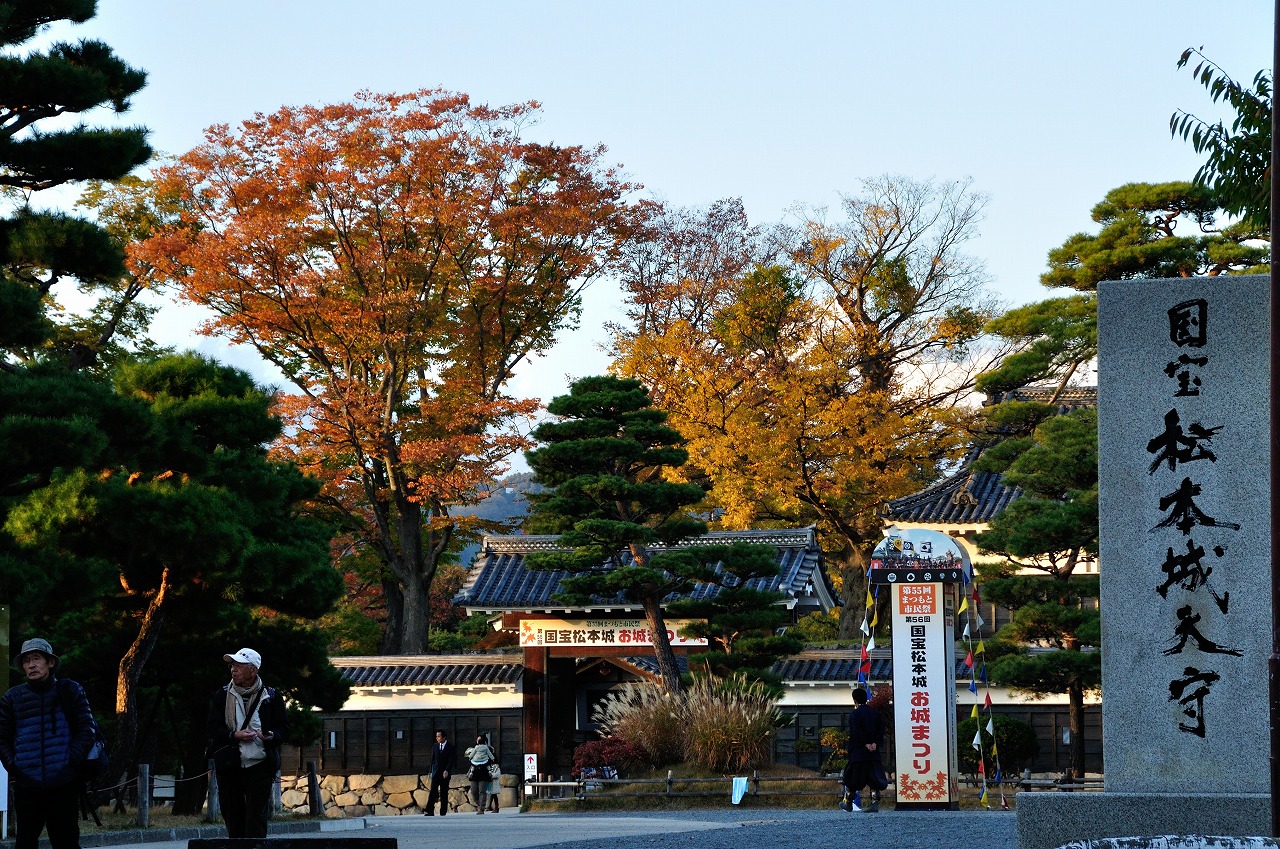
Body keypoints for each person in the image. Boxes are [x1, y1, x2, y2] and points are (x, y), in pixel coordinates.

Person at [0, 638, 96, 849]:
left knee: (66, 843)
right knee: (25, 843)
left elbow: (88, 730)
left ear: (50, 662)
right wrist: (13, 764)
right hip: (27, 786)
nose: (31, 665)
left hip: (63, 784)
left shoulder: (70, 690)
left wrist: (69, 759)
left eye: (36, 658)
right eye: (26, 660)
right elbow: (2, 738)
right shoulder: (12, 698)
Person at [206, 647, 288, 838]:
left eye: (239, 666)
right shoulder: (222, 694)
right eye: (232, 665)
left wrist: (271, 735)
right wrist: (234, 735)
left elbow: (283, 728)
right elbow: (212, 728)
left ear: (253, 670)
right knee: (232, 816)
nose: (233, 669)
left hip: (260, 763)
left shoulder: (272, 696)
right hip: (230, 763)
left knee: (256, 818)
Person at [841, 687, 886, 813]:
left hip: (858, 753)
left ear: (854, 700)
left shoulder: (855, 714)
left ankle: (848, 803)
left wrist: (865, 744)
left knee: (852, 778)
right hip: (873, 753)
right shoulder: (875, 713)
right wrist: (875, 743)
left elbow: (855, 732)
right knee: (873, 778)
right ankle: (874, 803)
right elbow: (881, 729)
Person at [424, 729, 455, 815]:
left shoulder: (450, 747)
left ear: (444, 737)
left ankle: (443, 811)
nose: (437, 738)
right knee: (433, 790)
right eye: (436, 736)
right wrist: (430, 771)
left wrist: (447, 770)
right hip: (436, 772)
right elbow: (432, 760)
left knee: (444, 791)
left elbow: (451, 760)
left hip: (445, 772)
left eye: (439, 736)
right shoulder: (435, 746)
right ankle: (430, 810)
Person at [464, 733, 495, 814]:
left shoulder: (487, 749)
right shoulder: (476, 748)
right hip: (475, 772)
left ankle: (482, 808)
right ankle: (479, 804)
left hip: (484, 771)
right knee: (474, 791)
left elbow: (492, 758)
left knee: (482, 791)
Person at [485, 733, 500, 813]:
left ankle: (496, 807)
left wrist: (491, 775)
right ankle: (489, 806)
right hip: (490, 781)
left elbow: (498, 774)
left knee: (494, 794)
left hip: (493, 781)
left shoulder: (495, 766)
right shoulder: (489, 766)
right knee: (490, 794)